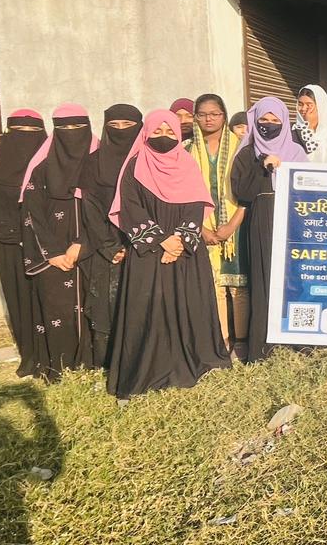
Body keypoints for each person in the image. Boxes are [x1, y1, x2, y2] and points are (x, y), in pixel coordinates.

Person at [107, 110, 231, 398]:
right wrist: (161, 240)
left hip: (185, 253)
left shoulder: (186, 164)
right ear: (146, 134)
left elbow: (196, 205)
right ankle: (150, 370)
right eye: (157, 131)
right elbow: (130, 208)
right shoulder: (135, 166)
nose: (163, 137)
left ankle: (194, 361)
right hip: (149, 253)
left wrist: (180, 241)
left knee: (188, 304)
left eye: (170, 132)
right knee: (150, 307)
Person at [20, 104, 99, 380]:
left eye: (77, 127)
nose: (71, 133)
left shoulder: (100, 165)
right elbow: (32, 213)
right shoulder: (42, 170)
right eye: (64, 128)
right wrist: (52, 252)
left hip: (92, 249)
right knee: (57, 307)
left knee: (94, 304)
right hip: (52, 252)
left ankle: (92, 363)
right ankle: (60, 364)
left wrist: (82, 244)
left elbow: (109, 209)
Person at [232, 97, 309, 362]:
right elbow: (241, 191)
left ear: (284, 122)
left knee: (293, 277)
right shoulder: (246, 154)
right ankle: (263, 346)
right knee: (264, 278)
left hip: (292, 220)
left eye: (275, 120)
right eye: (263, 120)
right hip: (261, 220)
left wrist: (282, 167)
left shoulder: (296, 152)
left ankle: (299, 338)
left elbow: (307, 186)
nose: (269, 124)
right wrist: (262, 167)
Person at [0, 109, 47, 378]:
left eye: (33, 133)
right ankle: (30, 354)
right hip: (11, 244)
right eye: (20, 132)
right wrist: (15, 237)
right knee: (20, 297)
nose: (26, 139)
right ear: (8, 134)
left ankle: (52, 352)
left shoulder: (49, 161)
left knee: (47, 298)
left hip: (45, 244)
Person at [77, 104, 142, 369]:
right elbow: (90, 208)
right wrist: (109, 246)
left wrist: (140, 240)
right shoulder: (93, 163)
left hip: (143, 242)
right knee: (107, 304)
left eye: (128, 125)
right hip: (107, 245)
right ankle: (108, 362)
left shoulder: (148, 160)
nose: (121, 131)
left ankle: (142, 360)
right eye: (114, 126)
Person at [188, 94, 249, 356]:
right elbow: (183, 195)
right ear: (195, 117)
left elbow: (248, 191)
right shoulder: (187, 150)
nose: (208, 119)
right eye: (202, 114)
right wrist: (201, 228)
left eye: (214, 114)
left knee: (238, 285)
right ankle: (223, 340)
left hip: (236, 225)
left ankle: (242, 341)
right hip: (201, 227)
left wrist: (231, 225)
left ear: (224, 115)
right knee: (215, 286)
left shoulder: (241, 147)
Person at [293, 84, 327, 163]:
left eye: (309, 105)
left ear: (320, 106)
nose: (303, 109)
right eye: (300, 104)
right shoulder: (293, 132)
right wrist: (308, 126)